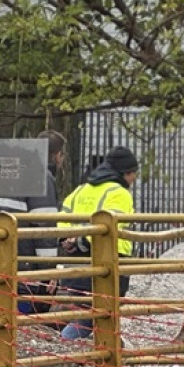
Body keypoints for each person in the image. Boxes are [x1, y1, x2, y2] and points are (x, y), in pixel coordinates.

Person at [57, 146, 139, 340]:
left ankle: (104, 360)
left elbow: (62, 217)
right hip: (108, 266)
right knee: (92, 318)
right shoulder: (119, 193)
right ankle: (62, 349)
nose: (134, 179)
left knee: (95, 316)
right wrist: (83, 241)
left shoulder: (80, 190)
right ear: (125, 173)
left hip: (75, 265)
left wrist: (69, 240)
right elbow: (111, 224)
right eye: (134, 174)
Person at [0, 131, 66, 314]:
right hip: (29, 267)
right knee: (26, 320)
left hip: (5, 260)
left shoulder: (11, 173)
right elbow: (44, 229)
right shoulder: (42, 177)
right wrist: (49, 272)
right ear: (57, 155)